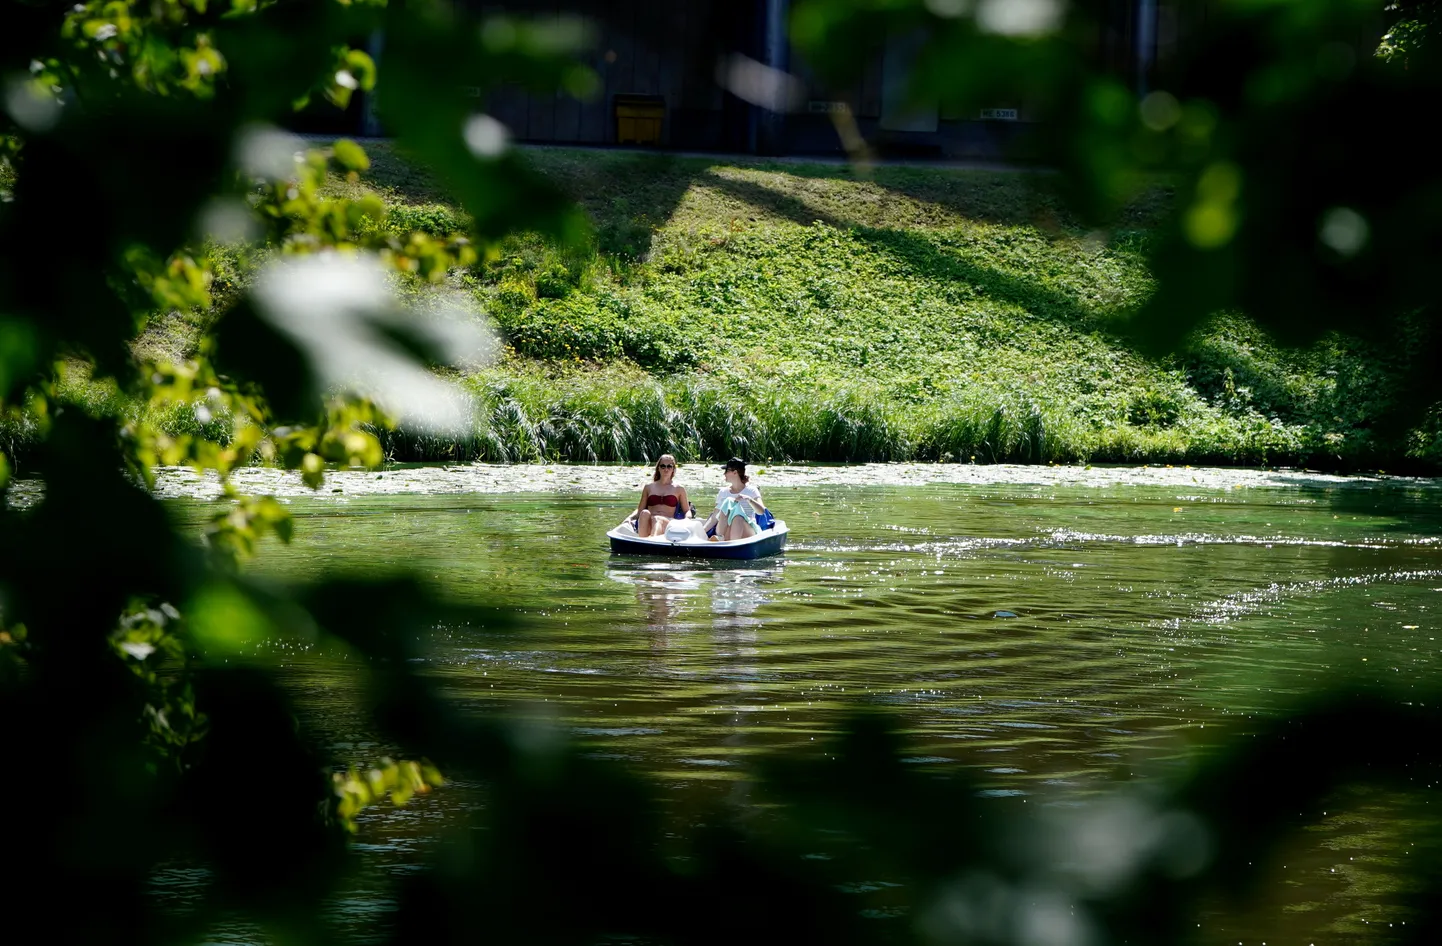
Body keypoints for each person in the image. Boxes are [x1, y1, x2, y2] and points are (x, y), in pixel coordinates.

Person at [705, 457, 766, 542]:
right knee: (728, 501)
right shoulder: (723, 492)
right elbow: (714, 517)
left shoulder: (752, 490)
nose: (724, 474)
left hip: (747, 530)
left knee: (737, 514)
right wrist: (702, 532)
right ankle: (721, 537)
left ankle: (732, 543)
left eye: (726, 471)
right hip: (726, 530)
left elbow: (761, 511)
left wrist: (749, 499)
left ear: (735, 472)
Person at [633, 454, 690, 538]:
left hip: (667, 522)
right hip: (650, 521)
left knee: (658, 519)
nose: (666, 469)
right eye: (663, 466)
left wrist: (687, 519)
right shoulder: (648, 487)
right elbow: (639, 511)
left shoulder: (679, 489)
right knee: (644, 513)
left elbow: (687, 511)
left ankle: (652, 541)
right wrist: (628, 519)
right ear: (658, 468)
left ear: (673, 469)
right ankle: (644, 540)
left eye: (669, 466)